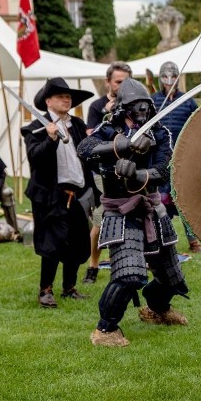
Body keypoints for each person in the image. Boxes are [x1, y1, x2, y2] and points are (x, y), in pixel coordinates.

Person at [77, 78, 188, 347]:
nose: (142, 112)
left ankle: (157, 309)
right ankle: (105, 329)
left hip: (152, 208)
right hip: (121, 211)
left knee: (172, 276)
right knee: (129, 276)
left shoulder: (160, 133)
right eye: (135, 107)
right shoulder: (110, 128)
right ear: (124, 107)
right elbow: (85, 149)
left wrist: (140, 173)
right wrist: (121, 147)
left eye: (145, 107)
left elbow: (163, 170)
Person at [21, 77, 98, 308]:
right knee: (52, 245)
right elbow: (35, 157)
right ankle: (45, 290)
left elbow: (85, 157)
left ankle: (69, 288)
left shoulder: (76, 124)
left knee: (77, 243)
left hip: (76, 194)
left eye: (68, 96)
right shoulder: (34, 128)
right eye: (60, 96)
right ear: (48, 101)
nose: (66, 99)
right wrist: (51, 137)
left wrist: (93, 191)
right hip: (49, 196)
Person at [83, 61, 132, 284]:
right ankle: (93, 266)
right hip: (104, 172)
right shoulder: (97, 106)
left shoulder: (134, 104)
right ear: (108, 82)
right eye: (118, 82)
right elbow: (91, 138)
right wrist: (108, 114)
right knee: (102, 219)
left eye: (126, 82)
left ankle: (131, 264)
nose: (122, 86)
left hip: (130, 170)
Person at [151, 60, 201, 253]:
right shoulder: (154, 101)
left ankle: (193, 242)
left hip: (181, 158)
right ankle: (162, 240)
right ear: (160, 79)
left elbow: (197, 123)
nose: (169, 80)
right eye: (165, 76)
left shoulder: (187, 100)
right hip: (159, 158)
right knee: (159, 200)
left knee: (182, 199)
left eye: (173, 76)